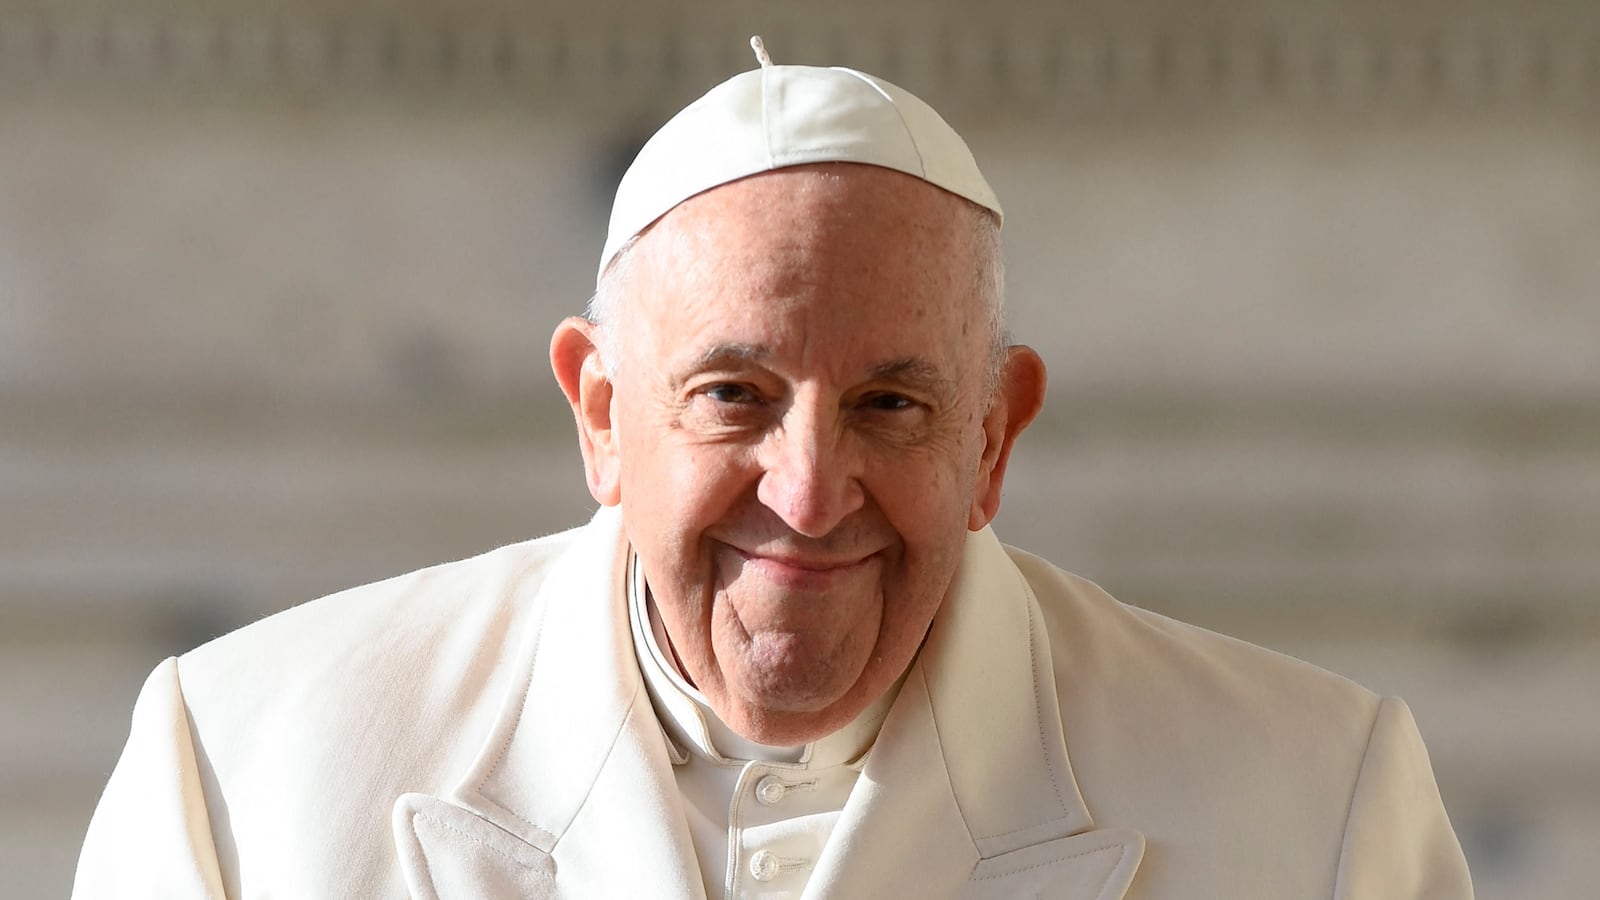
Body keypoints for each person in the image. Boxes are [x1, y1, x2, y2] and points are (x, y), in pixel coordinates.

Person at [74, 38, 1473, 899]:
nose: (809, 494)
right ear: (601, 413)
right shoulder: (245, 769)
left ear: (994, 436)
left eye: (891, 404)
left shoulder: (1313, 801)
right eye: (734, 396)